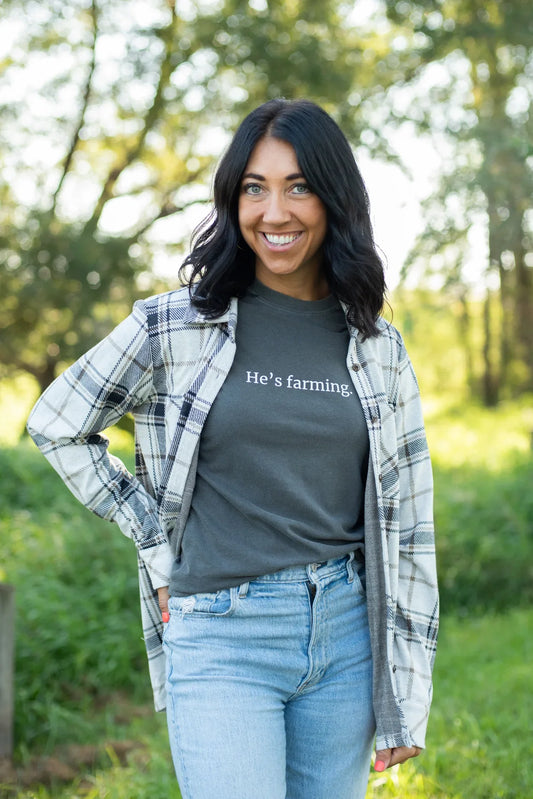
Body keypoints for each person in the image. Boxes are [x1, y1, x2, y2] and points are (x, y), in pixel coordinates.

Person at [27, 98, 438, 799]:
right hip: (222, 634)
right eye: (254, 187)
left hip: (342, 634)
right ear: (232, 198)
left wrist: (405, 689)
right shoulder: (174, 325)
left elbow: (408, 524)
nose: (273, 212)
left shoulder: (377, 346)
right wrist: (154, 538)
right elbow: (57, 422)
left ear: (334, 198)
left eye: (298, 186)